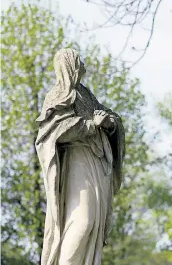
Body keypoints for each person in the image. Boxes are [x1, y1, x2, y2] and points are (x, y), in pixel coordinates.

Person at [35, 48, 125, 265]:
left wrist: (110, 123)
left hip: (96, 161)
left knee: (94, 222)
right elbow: (54, 131)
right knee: (82, 220)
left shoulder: (85, 94)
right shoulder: (57, 95)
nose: (82, 65)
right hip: (76, 159)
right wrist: (90, 125)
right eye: (78, 61)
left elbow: (109, 116)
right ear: (68, 65)